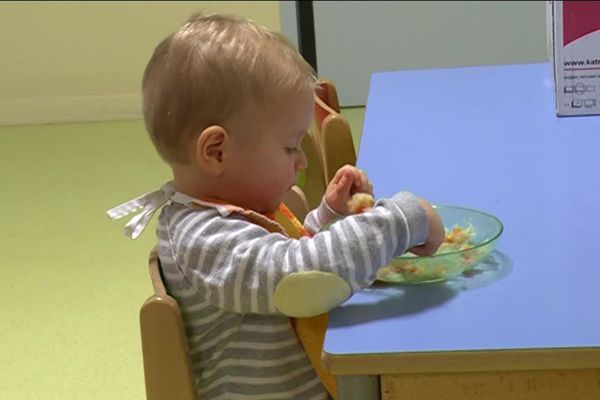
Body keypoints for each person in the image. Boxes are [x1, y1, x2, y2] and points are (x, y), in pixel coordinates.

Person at [107, 11, 444, 400]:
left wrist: (328, 217)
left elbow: (280, 255)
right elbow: (299, 280)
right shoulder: (203, 238)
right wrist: (404, 218)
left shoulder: (227, 207)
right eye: (289, 147)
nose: (301, 162)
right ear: (217, 151)